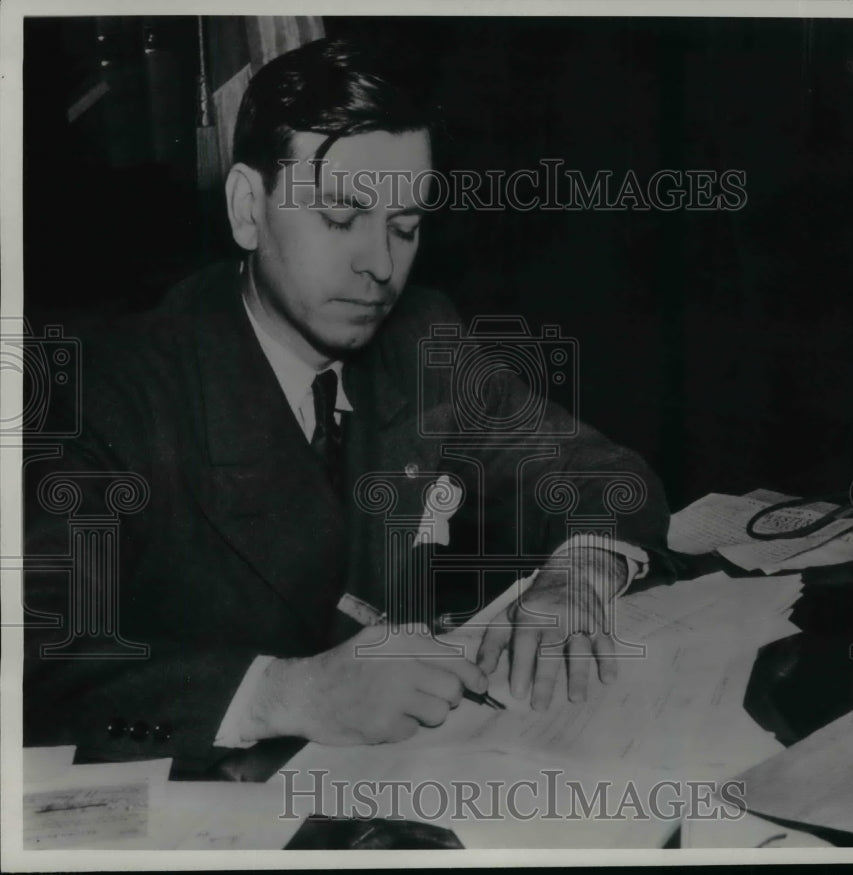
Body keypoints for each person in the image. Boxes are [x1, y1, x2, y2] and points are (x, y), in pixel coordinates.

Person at [23, 37, 672, 772]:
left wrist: (578, 573)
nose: (381, 264)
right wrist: (282, 693)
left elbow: (601, 472)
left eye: (406, 226)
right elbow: (32, 665)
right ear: (246, 207)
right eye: (340, 216)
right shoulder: (103, 392)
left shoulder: (421, 339)